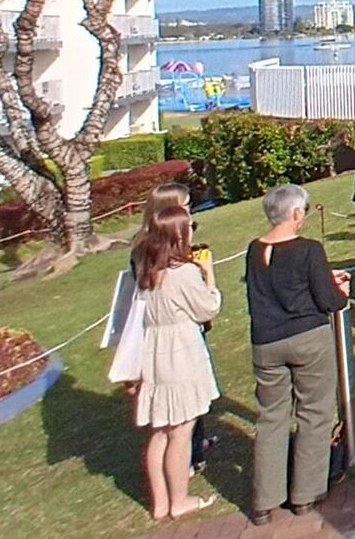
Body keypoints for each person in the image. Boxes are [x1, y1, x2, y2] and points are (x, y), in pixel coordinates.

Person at [246, 185, 351, 525]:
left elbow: (279, 283)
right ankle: (305, 494)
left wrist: (324, 280)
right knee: (314, 413)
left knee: (270, 417)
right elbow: (327, 300)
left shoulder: (254, 250)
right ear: (295, 214)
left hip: (266, 342)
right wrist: (341, 292)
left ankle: (264, 500)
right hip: (306, 337)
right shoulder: (309, 249)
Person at [133, 205, 222, 521]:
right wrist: (208, 274)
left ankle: (160, 502)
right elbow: (207, 308)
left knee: (161, 431)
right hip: (180, 351)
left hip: (155, 351)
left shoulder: (147, 270)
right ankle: (179, 499)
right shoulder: (182, 273)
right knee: (181, 432)